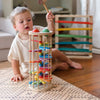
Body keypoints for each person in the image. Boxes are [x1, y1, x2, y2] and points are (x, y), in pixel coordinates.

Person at [8, 6, 82, 82]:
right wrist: (17, 74)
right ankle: (56, 66)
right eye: (21, 22)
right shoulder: (16, 42)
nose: (26, 23)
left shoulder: (37, 30)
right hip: (32, 68)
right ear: (15, 27)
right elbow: (14, 59)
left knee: (55, 51)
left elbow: (50, 31)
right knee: (43, 72)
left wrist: (49, 21)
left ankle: (70, 62)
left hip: (44, 57)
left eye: (28, 20)